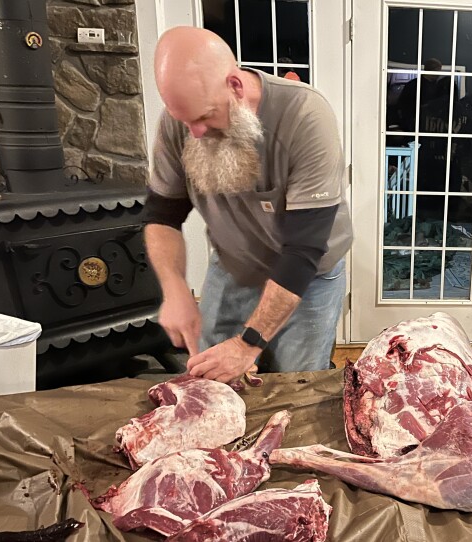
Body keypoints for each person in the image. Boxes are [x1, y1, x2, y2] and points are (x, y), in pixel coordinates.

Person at [145, 26, 352, 383]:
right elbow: (162, 214)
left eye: (205, 116)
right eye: (184, 119)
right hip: (233, 266)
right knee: (211, 378)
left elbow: (303, 250)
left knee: (296, 383)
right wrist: (175, 288)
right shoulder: (179, 122)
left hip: (308, 275)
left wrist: (248, 344)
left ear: (235, 87)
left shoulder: (304, 115)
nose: (193, 132)